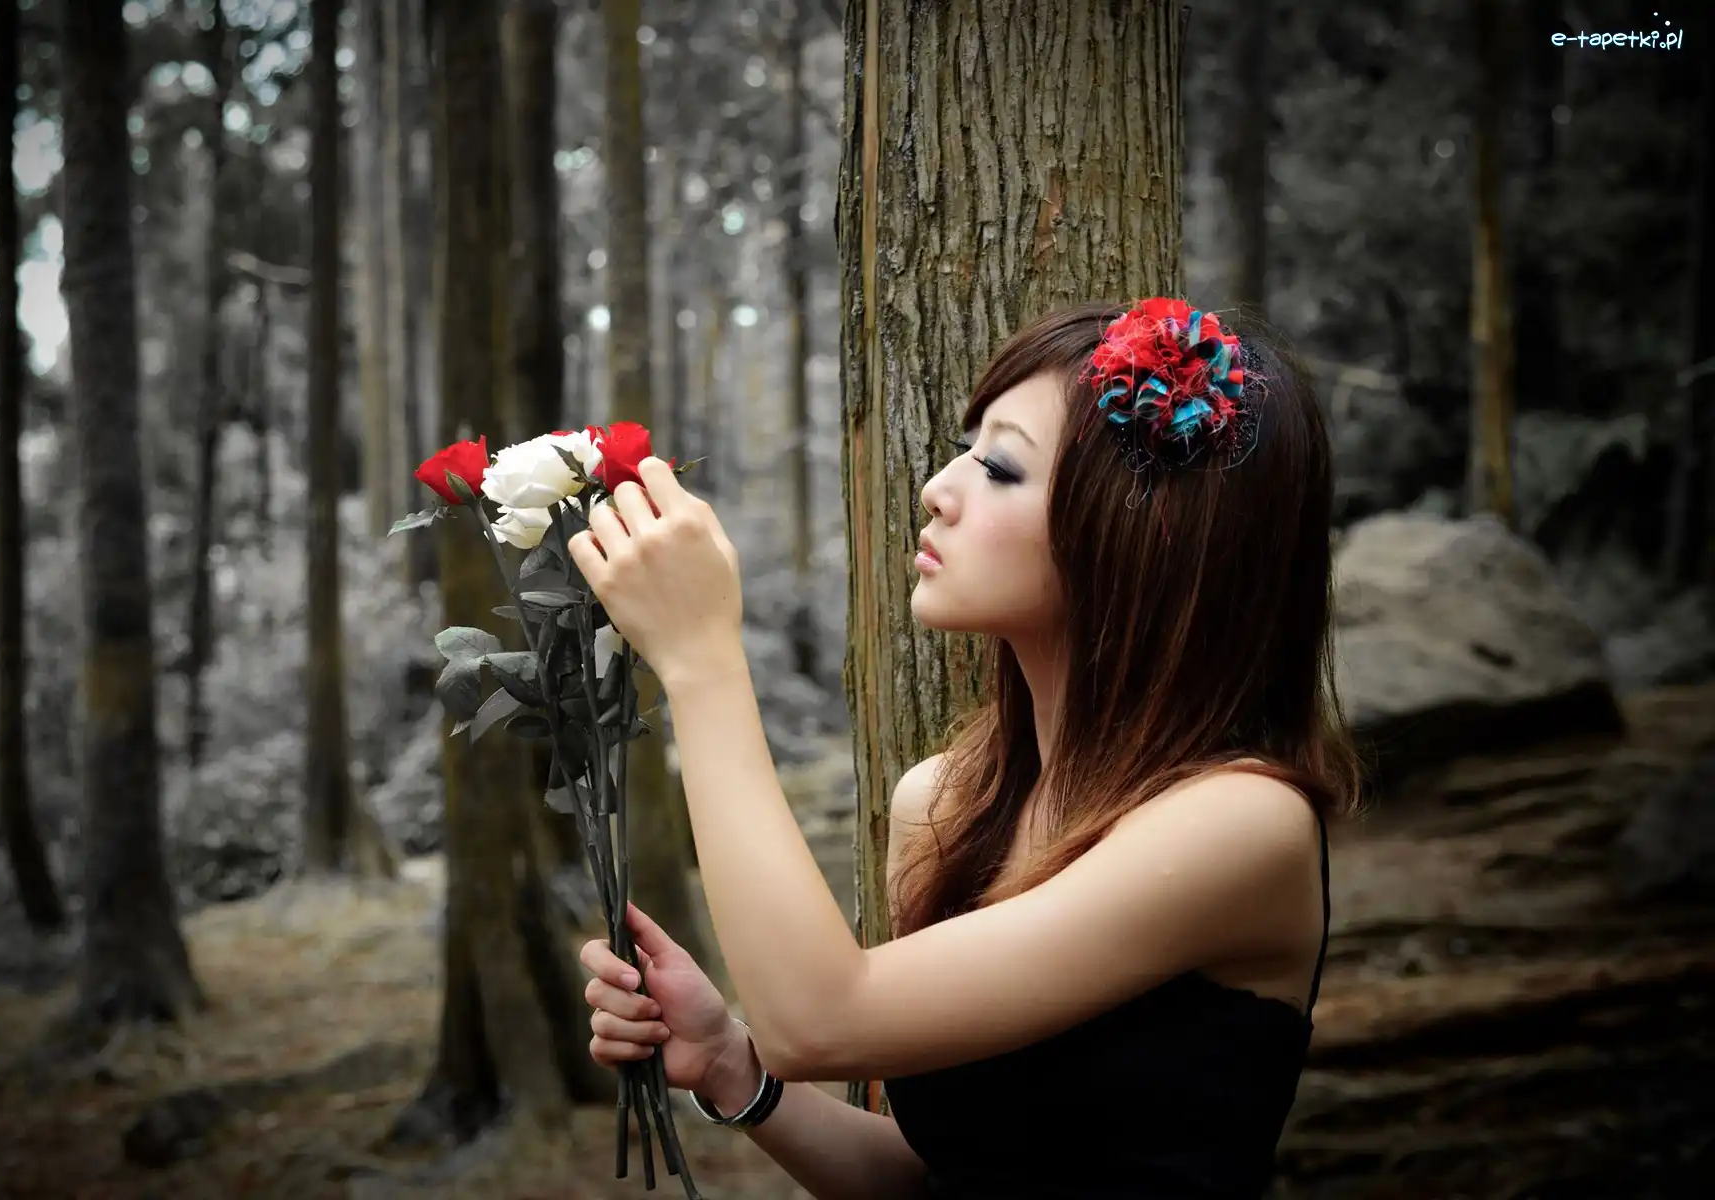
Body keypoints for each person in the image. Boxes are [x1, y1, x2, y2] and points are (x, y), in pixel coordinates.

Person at [565, 299, 1361, 1199]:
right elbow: (940, 1176)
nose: (938, 488)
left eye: (1000, 466)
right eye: (965, 448)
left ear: (1145, 536)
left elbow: (820, 1021)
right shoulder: (947, 806)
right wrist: (729, 1065)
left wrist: (700, 659)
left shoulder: (1242, 825)